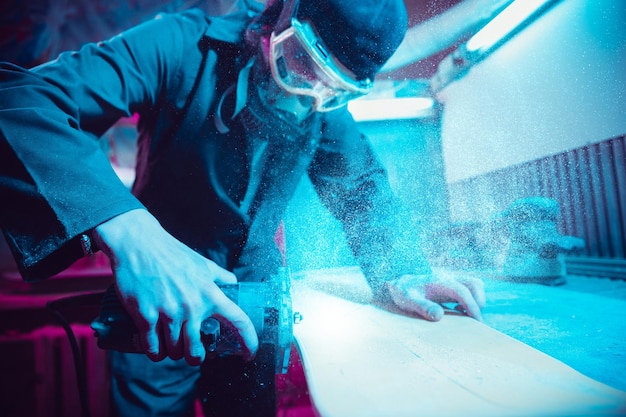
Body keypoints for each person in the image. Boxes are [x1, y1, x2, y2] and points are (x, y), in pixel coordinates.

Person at [0, 0, 486, 415]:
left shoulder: (321, 102)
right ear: (282, 16)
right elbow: (20, 100)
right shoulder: (180, 43)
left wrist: (401, 269)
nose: (306, 93)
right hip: (161, 300)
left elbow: (360, 187)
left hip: (254, 308)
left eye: (331, 89)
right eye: (300, 62)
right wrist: (134, 237)